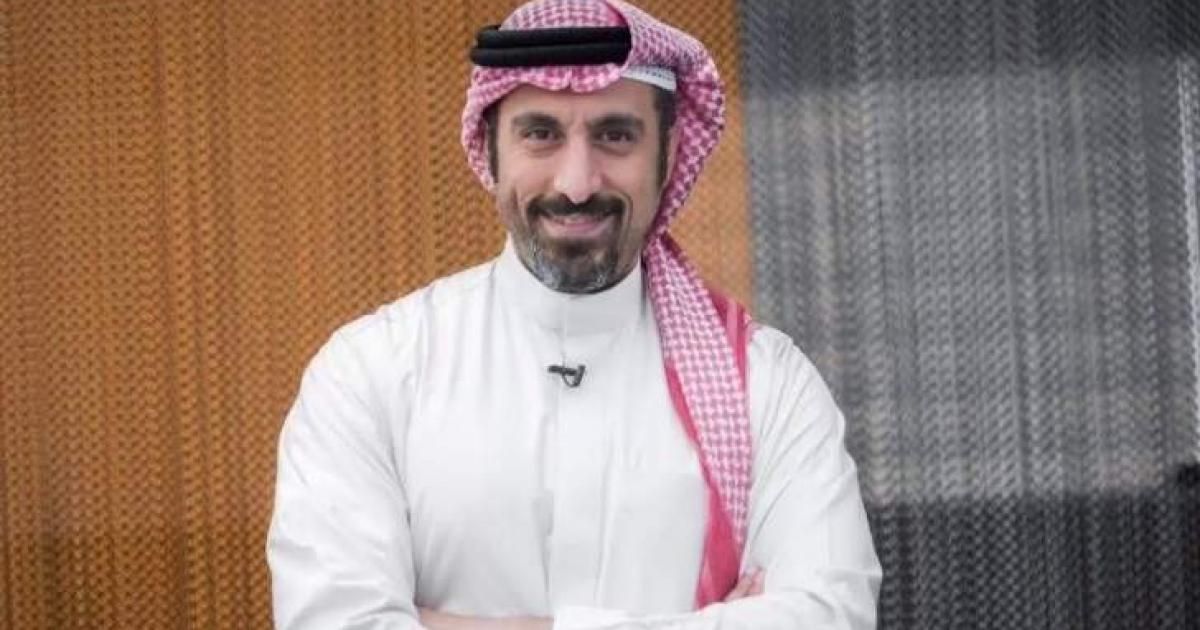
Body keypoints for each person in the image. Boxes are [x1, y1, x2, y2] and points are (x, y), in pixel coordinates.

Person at [266, 0, 881, 628]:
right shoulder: (371, 374)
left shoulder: (768, 385)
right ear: (489, 147)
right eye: (541, 134)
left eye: (616, 135)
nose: (577, 182)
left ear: (668, 153)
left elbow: (833, 616)